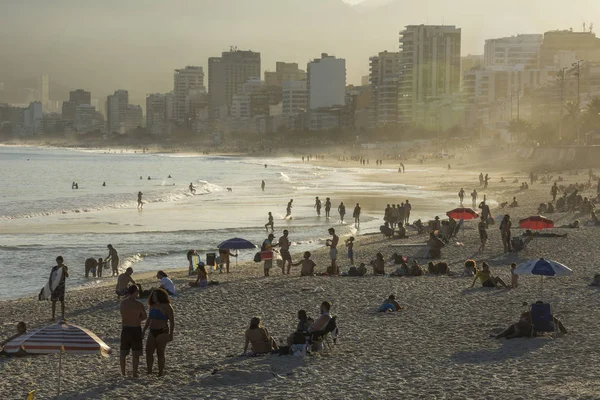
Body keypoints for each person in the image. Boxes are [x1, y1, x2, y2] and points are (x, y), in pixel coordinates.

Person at [143, 289, 174, 376]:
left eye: (156, 296)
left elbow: (172, 321)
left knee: (160, 352)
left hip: (162, 331)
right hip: (152, 331)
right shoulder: (152, 306)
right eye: (153, 295)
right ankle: (149, 371)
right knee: (148, 352)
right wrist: (144, 330)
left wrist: (171, 334)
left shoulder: (167, 306)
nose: (154, 297)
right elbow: (149, 319)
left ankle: (160, 372)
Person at [120, 285, 147, 377]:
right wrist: (137, 317)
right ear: (135, 292)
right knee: (136, 352)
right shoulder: (139, 305)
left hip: (125, 328)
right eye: (137, 292)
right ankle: (134, 372)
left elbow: (122, 314)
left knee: (123, 352)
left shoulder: (123, 303)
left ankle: (123, 372)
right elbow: (144, 317)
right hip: (135, 328)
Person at [49, 256, 69, 321]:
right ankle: (53, 316)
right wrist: (50, 285)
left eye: (60, 261)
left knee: (62, 301)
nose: (58, 262)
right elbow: (50, 277)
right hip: (55, 286)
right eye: (58, 261)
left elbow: (67, 275)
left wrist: (63, 268)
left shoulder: (65, 267)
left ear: (62, 261)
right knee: (53, 301)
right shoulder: (54, 268)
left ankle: (63, 316)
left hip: (61, 286)